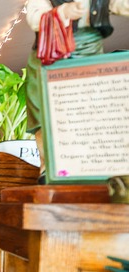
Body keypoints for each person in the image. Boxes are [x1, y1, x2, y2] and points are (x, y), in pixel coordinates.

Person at [25, 0, 129, 182]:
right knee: (46, 113)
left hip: (89, 55)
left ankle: (89, 166)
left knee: (92, 112)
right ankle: (49, 167)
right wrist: (63, 12)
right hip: (52, 56)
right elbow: (35, 16)